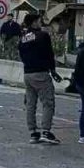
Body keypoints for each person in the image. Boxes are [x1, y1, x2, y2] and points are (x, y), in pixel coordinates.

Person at [17, 13, 60, 145]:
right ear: (34, 22)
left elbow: (22, 56)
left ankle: (33, 133)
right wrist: (53, 70)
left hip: (27, 74)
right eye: (39, 21)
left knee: (30, 104)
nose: (41, 23)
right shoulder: (42, 36)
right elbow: (49, 54)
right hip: (41, 74)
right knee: (48, 103)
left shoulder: (23, 38)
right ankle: (46, 131)